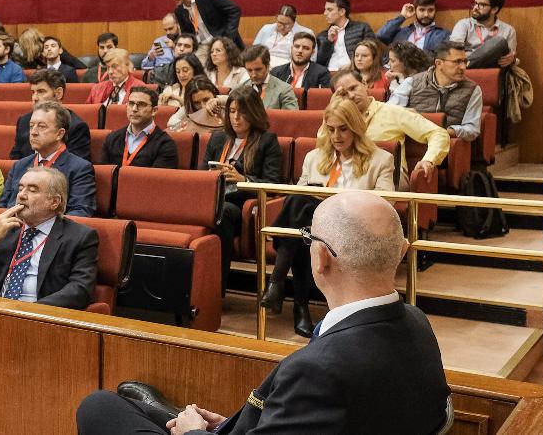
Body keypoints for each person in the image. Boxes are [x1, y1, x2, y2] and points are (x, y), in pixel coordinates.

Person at [76, 191, 450, 435]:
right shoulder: (416, 323)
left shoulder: (320, 370)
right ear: (401, 251)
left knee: (99, 407)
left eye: (308, 239)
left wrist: (193, 433)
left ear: (320, 258)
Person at [260, 98, 395, 336]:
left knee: (302, 219)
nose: (336, 136)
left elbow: (386, 203)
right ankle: (299, 307)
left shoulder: (380, 160)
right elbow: (297, 195)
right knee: (303, 222)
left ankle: (278, 282)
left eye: (343, 129)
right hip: (316, 228)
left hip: (353, 226)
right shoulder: (314, 157)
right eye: (331, 129)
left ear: (355, 128)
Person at [0, 166, 99, 310]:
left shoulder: (80, 236)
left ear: (54, 202)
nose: (21, 195)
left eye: (32, 190)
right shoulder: (7, 230)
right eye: (20, 188)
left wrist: (27, 311)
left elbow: (80, 290)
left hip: (40, 316)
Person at [203, 86, 283, 290]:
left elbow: (273, 183)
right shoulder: (218, 138)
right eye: (231, 111)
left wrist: (243, 179)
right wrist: (210, 178)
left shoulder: (267, 141)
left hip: (240, 206)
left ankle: (216, 289)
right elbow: (199, 174)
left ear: (254, 112)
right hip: (211, 198)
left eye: (243, 112)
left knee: (222, 212)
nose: (236, 117)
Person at [331, 70, 449, 186]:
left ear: (364, 84)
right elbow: (323, 147)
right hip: (348, 175)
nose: (351, 96)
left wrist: (428, 160)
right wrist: (333, 109)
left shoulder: (393, 112)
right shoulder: (336, 122)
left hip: (389, 176)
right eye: (344, 94)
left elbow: (438, 133)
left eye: (353, 88)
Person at [0, 101, 96, 217]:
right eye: (31, 126)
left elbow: (80, 212)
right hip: (14, 231)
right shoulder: (19, 165)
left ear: (60, 134)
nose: (33, 132)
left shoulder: (79, 168)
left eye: (41, 126)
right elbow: (2, 207)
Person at [405, 41, 483, 141]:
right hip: (412, 138)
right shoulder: (412, 82)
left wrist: (444, 132)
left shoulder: (473, 89)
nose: (463, 67)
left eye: (465, 61)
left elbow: (472, 129)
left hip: (445, 141)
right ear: (439, 63)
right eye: (457, 62)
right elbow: (390, 113)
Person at [10, 69, 91, 161]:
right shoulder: (24, 121)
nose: (34, 98)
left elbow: (76, 167)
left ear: (58, 93)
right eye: (33, 92)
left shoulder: (76, 126)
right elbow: (15, 158)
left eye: (41, 91)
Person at [100, 87, 178, 168]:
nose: (134, 109)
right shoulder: (112, 138)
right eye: (131, 103)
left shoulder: (165, 144)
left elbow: (157, 179)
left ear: (154, 110)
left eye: (141, 104)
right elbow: (104, 175)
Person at [169, 0, 244, 51]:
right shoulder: (179, 10)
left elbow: (234, 10)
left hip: (222, 42)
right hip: (201, 47)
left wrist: (228, 39)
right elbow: (187, 34)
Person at [451, 0, 517, 68]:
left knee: (500, 42)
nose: (475, 8)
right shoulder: (464, 24)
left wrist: (512, 59)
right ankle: (466, 66)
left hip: (493, 70)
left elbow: (509, 58)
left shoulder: (509, 30)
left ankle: (466, 65)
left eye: (481, 5)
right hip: (467, 73)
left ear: (494, 9)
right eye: (475, 3)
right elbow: (454, 51)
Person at [316, 0, 377, 72]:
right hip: (329, 74)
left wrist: (353, 65)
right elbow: (319, 62)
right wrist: (328, 41)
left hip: (354, 72)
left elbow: (374, 52)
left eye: (330, 10)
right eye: (325, 10)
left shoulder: (361, 28)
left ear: (342, 12)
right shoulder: (322, 35)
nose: (325, 13)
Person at [377, 0, 449, 53]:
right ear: (415, 10)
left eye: (430, 10)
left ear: (435, 11)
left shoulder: (443, 35)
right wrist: (402, 16)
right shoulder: (401, 32)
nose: (426, 14)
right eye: (422, 10)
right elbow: (381, 36)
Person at [241, 45, 298, 111]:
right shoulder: (240, 88)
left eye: (258, 69)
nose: (254, 75)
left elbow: (291, 118)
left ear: (268, 66)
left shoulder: (284, 90)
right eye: (249, 70)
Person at [386, 41, 432, 106]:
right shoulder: (397, 77)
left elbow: (394, 107)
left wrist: (400, 82)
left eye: (392, 61)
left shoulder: (421, 80)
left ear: (406, 62)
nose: (388, 64)